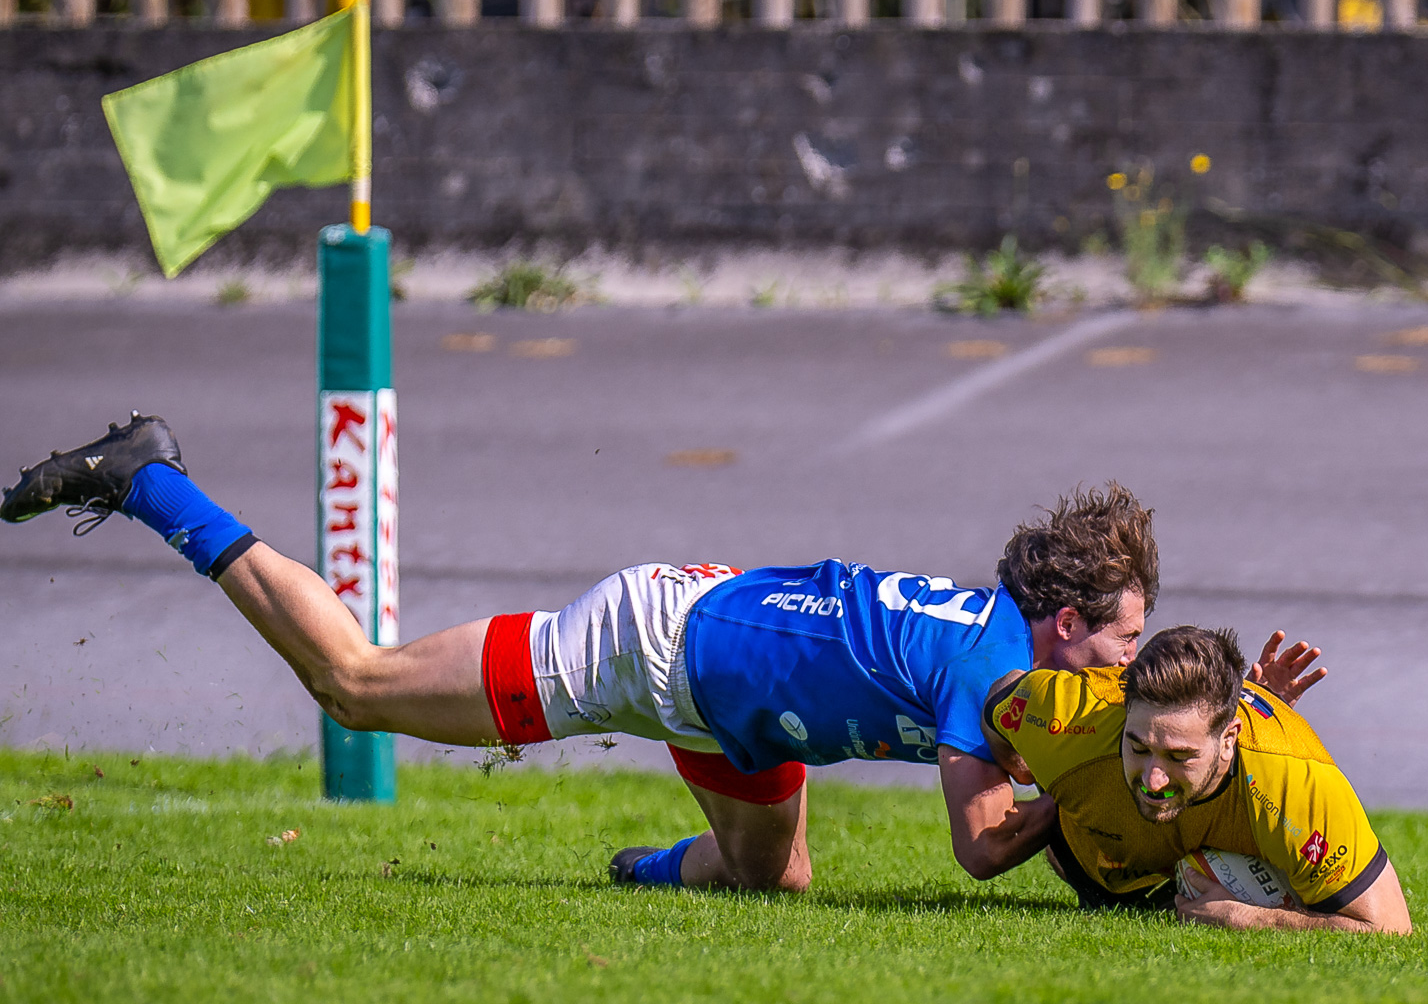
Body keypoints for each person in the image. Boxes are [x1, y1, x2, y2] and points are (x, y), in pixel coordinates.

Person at [2, 414, 1324, 895]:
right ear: (1064, 623)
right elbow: (985, 847)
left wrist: (1238, 706)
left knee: (776, 882)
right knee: (356, 685)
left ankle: (640, 873)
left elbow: (1143, 726)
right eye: (1128, 640)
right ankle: (153, 483)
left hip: (737, 701)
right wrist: (1093, 791)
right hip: (656, 645)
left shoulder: (1016, 650)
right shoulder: (991, 672)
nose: (1130, 667)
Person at [981, 625, 1409, 933]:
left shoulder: (1292, 780)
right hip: (1095, 863)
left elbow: (1388, 929)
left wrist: (1247, 917)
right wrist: (1029, 771)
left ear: (1228, 739)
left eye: (1179, 756)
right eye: (1139, 747)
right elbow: (999, 700)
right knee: (980, 855)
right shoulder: (1074, 718)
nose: (1153, 778)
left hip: (1223, 824)